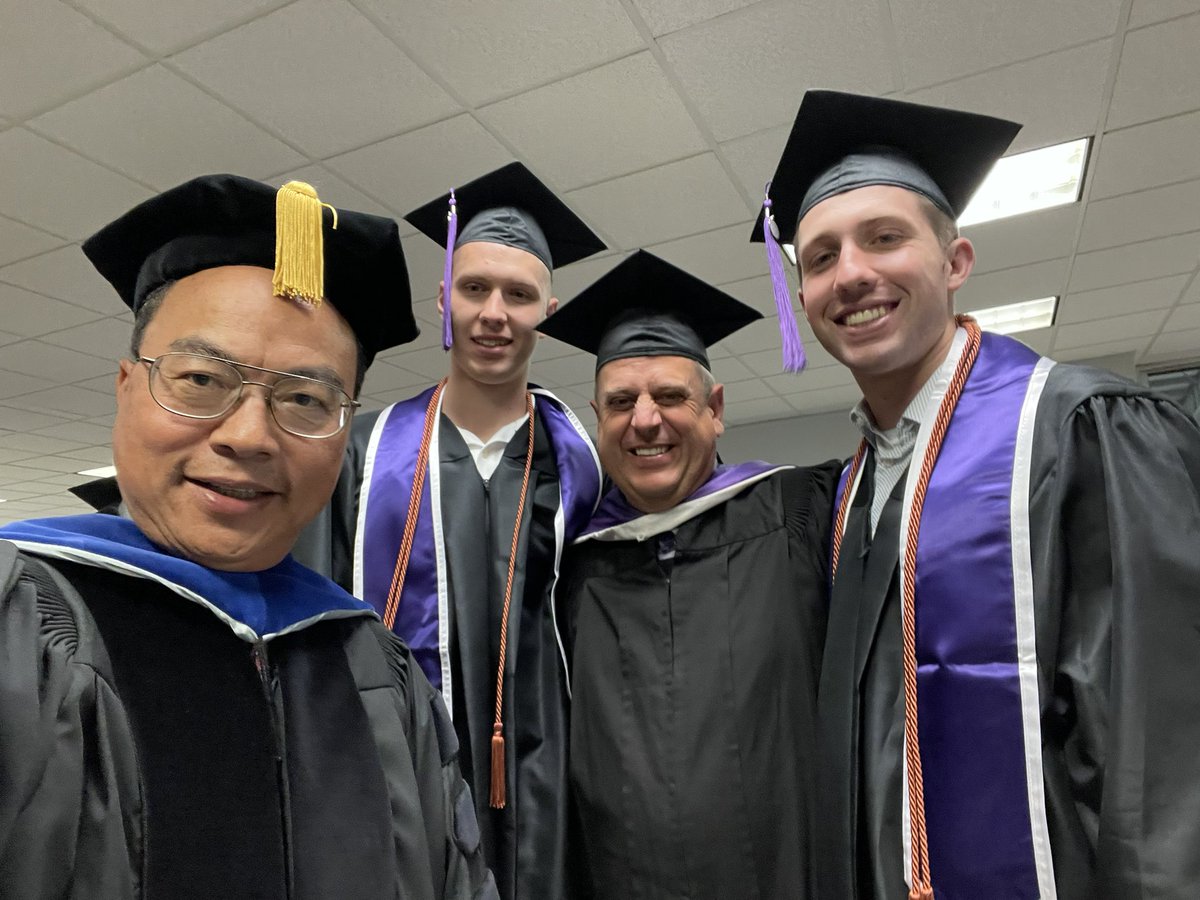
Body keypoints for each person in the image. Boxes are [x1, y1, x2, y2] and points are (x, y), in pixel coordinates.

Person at [0, 174, 496, 900]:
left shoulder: (375, 665)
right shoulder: (20, 625)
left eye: (305, 399)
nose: (249, 436)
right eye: (201, 379)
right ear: (124, 386)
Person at [755, 90, 1200, 899]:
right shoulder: (857, 487)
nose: (851, 273)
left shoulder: (1084, 429)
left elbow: (1160, 764)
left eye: (883, 239)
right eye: (819, 257)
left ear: (954, 261)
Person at [291, 162, 605, 900]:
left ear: (547, 308)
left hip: (551, 779)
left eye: (519, 295)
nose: (494, 313)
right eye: (474, 289)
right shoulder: (364, 453)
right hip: (396, 761)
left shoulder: (582, 463)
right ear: (442, 299)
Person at [539, 250, 841, 899]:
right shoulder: (568, 565)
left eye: (670, 395)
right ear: (598, 418)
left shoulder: (805, 515)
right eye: (621, 402)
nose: (645, 419)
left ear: (716, 408)